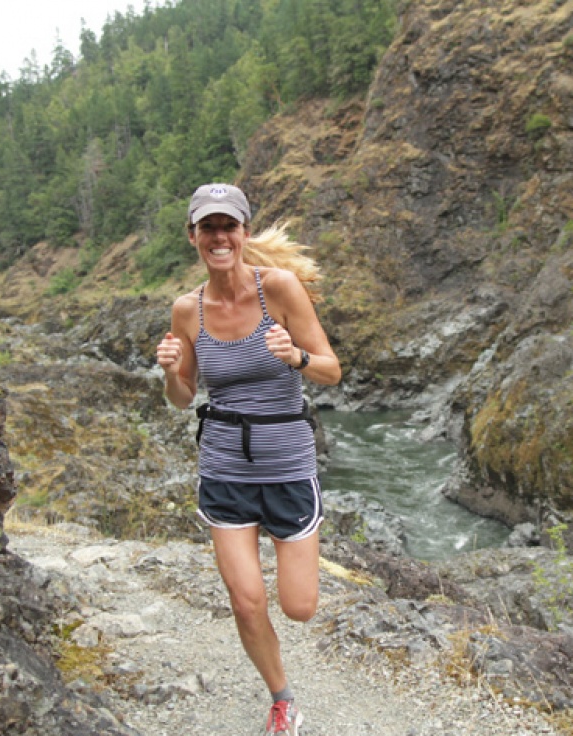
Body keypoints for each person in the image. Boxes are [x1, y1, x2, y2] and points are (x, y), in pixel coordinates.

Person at [155, 183, 341, 736]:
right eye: (207, 227)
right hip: (224, 470)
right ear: (193, 236)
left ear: (244, 233)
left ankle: (287, 667)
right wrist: (170, 371)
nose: (219, 237)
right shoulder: (186, 310)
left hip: (287, 466)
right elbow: (185, 396)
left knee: (300, 606)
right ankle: (282, 699)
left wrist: (296, 355)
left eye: (228, 226)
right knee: (245, 600)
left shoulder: (279, 289)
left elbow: (331, 368)